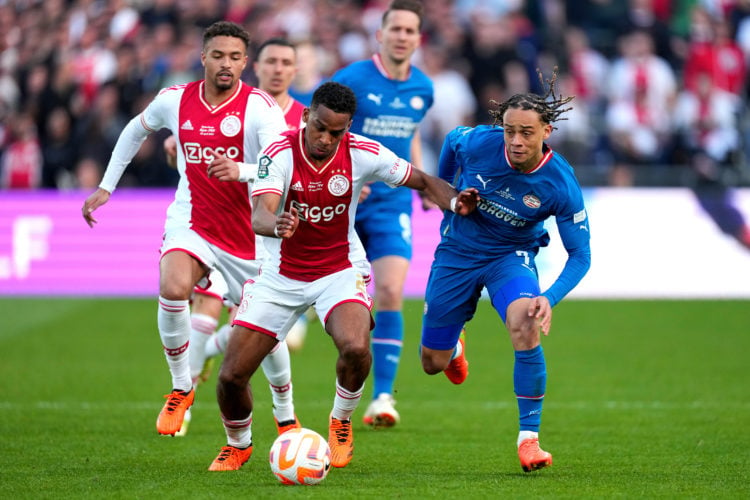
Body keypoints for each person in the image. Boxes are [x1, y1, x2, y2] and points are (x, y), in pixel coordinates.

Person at [207, 81, 478, 471]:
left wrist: (453, 200)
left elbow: (420, 179)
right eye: (320, 127)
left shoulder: (362, 152)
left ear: (348, 128)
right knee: (232, 376)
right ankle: (239, 443)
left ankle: (341, 421)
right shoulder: (278, 152)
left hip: (339, 268)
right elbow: (260, 214)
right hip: (280, 275)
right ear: (305, 117)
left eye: (337, 131)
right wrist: (277, 222)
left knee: (355, 347)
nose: (326, 138)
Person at [82, 21, 296, 438]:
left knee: (266, 335)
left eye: (235, 57)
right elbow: (133, 130)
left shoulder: (259, 108)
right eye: (218, 55)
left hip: (249, 235)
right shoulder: (174, 100)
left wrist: (243, 170)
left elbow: (281, 162)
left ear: (245, 62)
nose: (226, 64)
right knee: (173, 286)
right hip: (192, 221)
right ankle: (181, 387)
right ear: (203, 58)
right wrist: (107, 187)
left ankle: (285, 412)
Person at [419, 69, 592, 473]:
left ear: (547, 131)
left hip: (509, 257)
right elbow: (450, 141)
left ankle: (529, 440)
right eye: (510, 131)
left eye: (527, 133)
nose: (516, 141)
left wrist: (547, 299)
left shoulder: (560, 184)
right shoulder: (479, 142)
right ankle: (455, 346)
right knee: (432, 363)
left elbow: (580, 256)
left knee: (524, 320)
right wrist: (448, 196)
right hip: (458, 253)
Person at [161, 39, 310, 435]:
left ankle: (273, 406)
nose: (278, 69)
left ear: (295, 70)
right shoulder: (235, 105)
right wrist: (182, 143)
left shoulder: (303, 120)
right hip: (211, 227)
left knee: (260, 334)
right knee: (203, 311)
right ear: (255, 65)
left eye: (287, 63)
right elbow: (192, 139)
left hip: (263, 237)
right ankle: (184, 399)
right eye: (271, 62)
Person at [330, 0, 434, 429]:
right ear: (380, 33)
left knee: (390, 290)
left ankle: (383, 397)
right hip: (342, 201)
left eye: (410, 31)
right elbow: (321, 127)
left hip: (392, 203)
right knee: (325, 290)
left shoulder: (423, 88)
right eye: (396, 29)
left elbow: (409, 137)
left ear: (418, 38)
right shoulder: (352, 79)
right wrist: (344, 172)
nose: (402, 36)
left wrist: (422, 182)